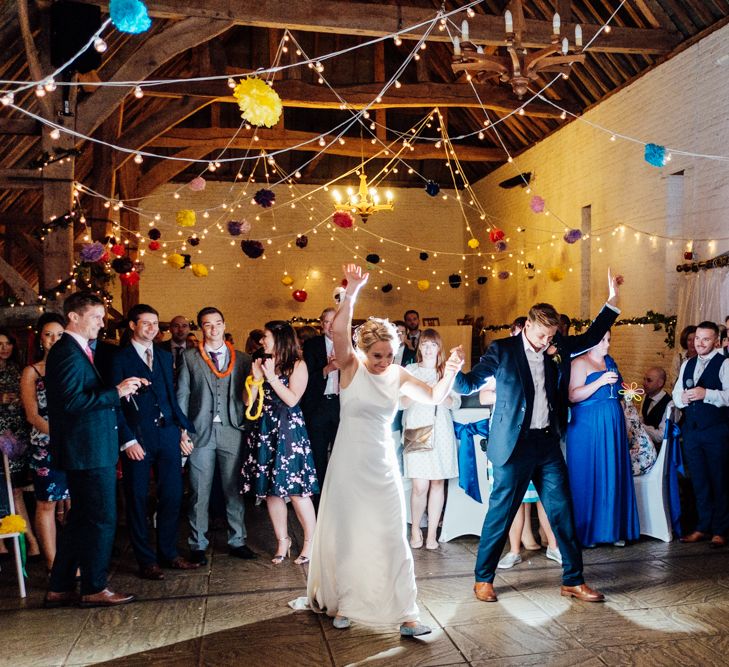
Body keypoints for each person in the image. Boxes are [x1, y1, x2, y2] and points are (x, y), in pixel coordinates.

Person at [306, 264, 463, 637]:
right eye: (377, 355)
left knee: (392, 535)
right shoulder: (350, 366)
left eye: (389, 354)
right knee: (350, 533)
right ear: (364, 352)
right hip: (348, 463)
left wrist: (452, 370)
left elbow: (434, 397)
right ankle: (347, 601)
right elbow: (341, 331)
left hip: (383, 465)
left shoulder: (397, 374)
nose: (384, 361)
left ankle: (407, 613)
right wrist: (354, 290)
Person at [453, 269, 622, 604]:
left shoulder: (556, 346)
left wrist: (612, 301)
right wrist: (453, 369)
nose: (547, 341)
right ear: (528, 325)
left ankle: (573, 579)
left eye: (551, 335)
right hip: (513, 447)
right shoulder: (501, 351)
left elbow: (590, 337)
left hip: (546, 443)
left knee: (562, 511)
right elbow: (469, 384)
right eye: (543, 334)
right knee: (500, 514)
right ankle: (483, 579)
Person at [44, 292, 143, 608]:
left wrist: (118, 390)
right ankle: (93, 587)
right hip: (86, 450)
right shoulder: (67, 353)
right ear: (74, 317)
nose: (102, 323)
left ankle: (59, 587)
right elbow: (72, 402)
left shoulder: (76, 350)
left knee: (80, 520)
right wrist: (116, 391)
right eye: (97, 317)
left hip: (89, 448)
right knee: (102, 518)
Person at [111, 304, 200, 580]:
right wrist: (126, 441)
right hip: (137, 438)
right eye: (146, 323)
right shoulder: (119, 358)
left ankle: (169, 553)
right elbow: (115, 405)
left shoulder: (162, 356)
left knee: (173, 495)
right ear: (132, 326)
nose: (152, 329)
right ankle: (146, 560)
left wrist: (182, 429)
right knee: (138, 499)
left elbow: (170, 398)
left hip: (167, 433)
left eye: (154, 324)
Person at [480, 319, 561, 570]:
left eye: (546, 338)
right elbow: (482, 392)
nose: (542, 343)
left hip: (542, 440)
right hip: (509, 441)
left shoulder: (545, 357)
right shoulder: (503, 355)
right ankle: (497, 563)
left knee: (552, 502)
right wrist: (509, 393)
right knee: (505, 506)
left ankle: (561, 555)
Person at [176, 307, 254, 565]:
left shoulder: (242, 359)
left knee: (233, 487)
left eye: (218, 323)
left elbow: (249, 395)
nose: (213, 329)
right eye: (207, 325)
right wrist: (183, 430)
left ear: (224, 325)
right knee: (199, 489)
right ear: (201, 328)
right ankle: (198, 543)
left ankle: (238, 540)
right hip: (200, 430)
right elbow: (183, 394)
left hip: (232, 429)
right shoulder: (190, 357)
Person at [241, 321, 318, 564]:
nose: (262, 341)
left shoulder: (298, 365)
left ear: (280, 338)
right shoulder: (261, 362)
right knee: (271, 493)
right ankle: (282, 541)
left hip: (288, 432)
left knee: (296, 491)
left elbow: (293, 400)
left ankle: (311, 541)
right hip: (265, 430)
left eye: (266, 337)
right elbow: (247, 402)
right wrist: (255, 379)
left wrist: (272, 378)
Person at [567, 331, 640, 546]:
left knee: (613, 472)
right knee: (589, 474)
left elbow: (618, 391)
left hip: (613, 423)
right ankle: (588, 533)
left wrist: (627, 395)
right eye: (602, 340)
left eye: (609, 340)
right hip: (587, 425)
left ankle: (614, 529)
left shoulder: (611, 362)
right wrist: (599, 382)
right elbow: (572, 395)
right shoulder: (579, 363)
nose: (607, 344)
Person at [401, 328, 460, 550]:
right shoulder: (410, 370)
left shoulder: (446, 371)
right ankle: (416, 528)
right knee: (419, 485)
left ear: (439, 348)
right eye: (424, 344)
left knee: (438, 483)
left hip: (441, 430)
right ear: (419, 347)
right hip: (416, 429)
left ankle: (433, 533)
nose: (427, 349)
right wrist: (419, 391)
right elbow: (401, 403)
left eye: (432, 345)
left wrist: (440, 392)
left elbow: (456, 403)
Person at [672, 321, 729, 548]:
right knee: (698, 481)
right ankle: (703, 526)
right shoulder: (688, 363)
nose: (700, 343)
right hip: (693, 432)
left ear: (715, 341)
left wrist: (707, 393)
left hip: (716, 430)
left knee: (719, 480)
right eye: (697, 339)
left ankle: (721, 530)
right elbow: (677, 394)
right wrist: (682, 399)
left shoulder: (725, 363)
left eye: (705, 339)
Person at [19, 314, 67, 572]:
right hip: (45, 444)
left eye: (59, 334)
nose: (54, 339)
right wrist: (58, 435)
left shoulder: (73, 366)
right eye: (48, 334)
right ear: (40, 338)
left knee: (75, 502)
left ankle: (73, 560)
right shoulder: (32, 371)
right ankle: (53, 563)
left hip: (75, 443)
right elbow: (32, 414)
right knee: (47, 502)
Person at [0, 328, 41, 560]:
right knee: (4, 488)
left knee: (15, 488)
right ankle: (7, 542)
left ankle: (29, 540)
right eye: (0, 344)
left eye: (8, 343)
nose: (4, 348)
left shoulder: (20, 371)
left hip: (18, 435)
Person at [300, 308, 339, 496]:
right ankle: (319, 498)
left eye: (335, 321)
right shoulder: (312, 345)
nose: (331, 326)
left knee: (341, 454)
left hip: (342, 406)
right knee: (318, 454)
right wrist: (328, 368)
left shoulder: (351, 346)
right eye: (327, 322)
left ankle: (339, 496)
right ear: (322, 325)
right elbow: (305, 379)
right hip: (319, 406)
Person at [641, 367, 673, 447]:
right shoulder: (646, 396)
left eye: (649, 380)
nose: (644, 383)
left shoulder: (669, 404)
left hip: (659, 450)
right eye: (644, 379)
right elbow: (642, 417)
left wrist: (639, 425)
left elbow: (661, 436)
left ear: (660, 383)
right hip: (645, 445)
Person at [160, 315, 190, 381]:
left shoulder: (195, 350)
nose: (180, 329)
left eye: (184, 326)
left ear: (189, 329)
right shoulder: (159, 348)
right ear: (170, 329)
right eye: (176, 326)